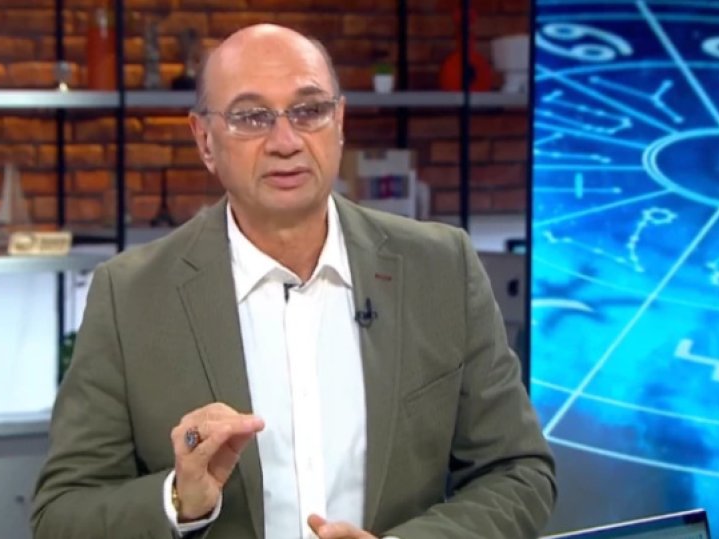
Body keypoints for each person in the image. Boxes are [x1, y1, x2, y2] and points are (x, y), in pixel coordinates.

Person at [31, 23, 556, 539]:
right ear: (204, 140)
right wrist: (178, 501)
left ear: (339, 121)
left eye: (309, 111)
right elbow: (61, 515)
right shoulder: (130, 296)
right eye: (251, 117)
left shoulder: (441, 268)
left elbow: (517, 472)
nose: (286, 141)